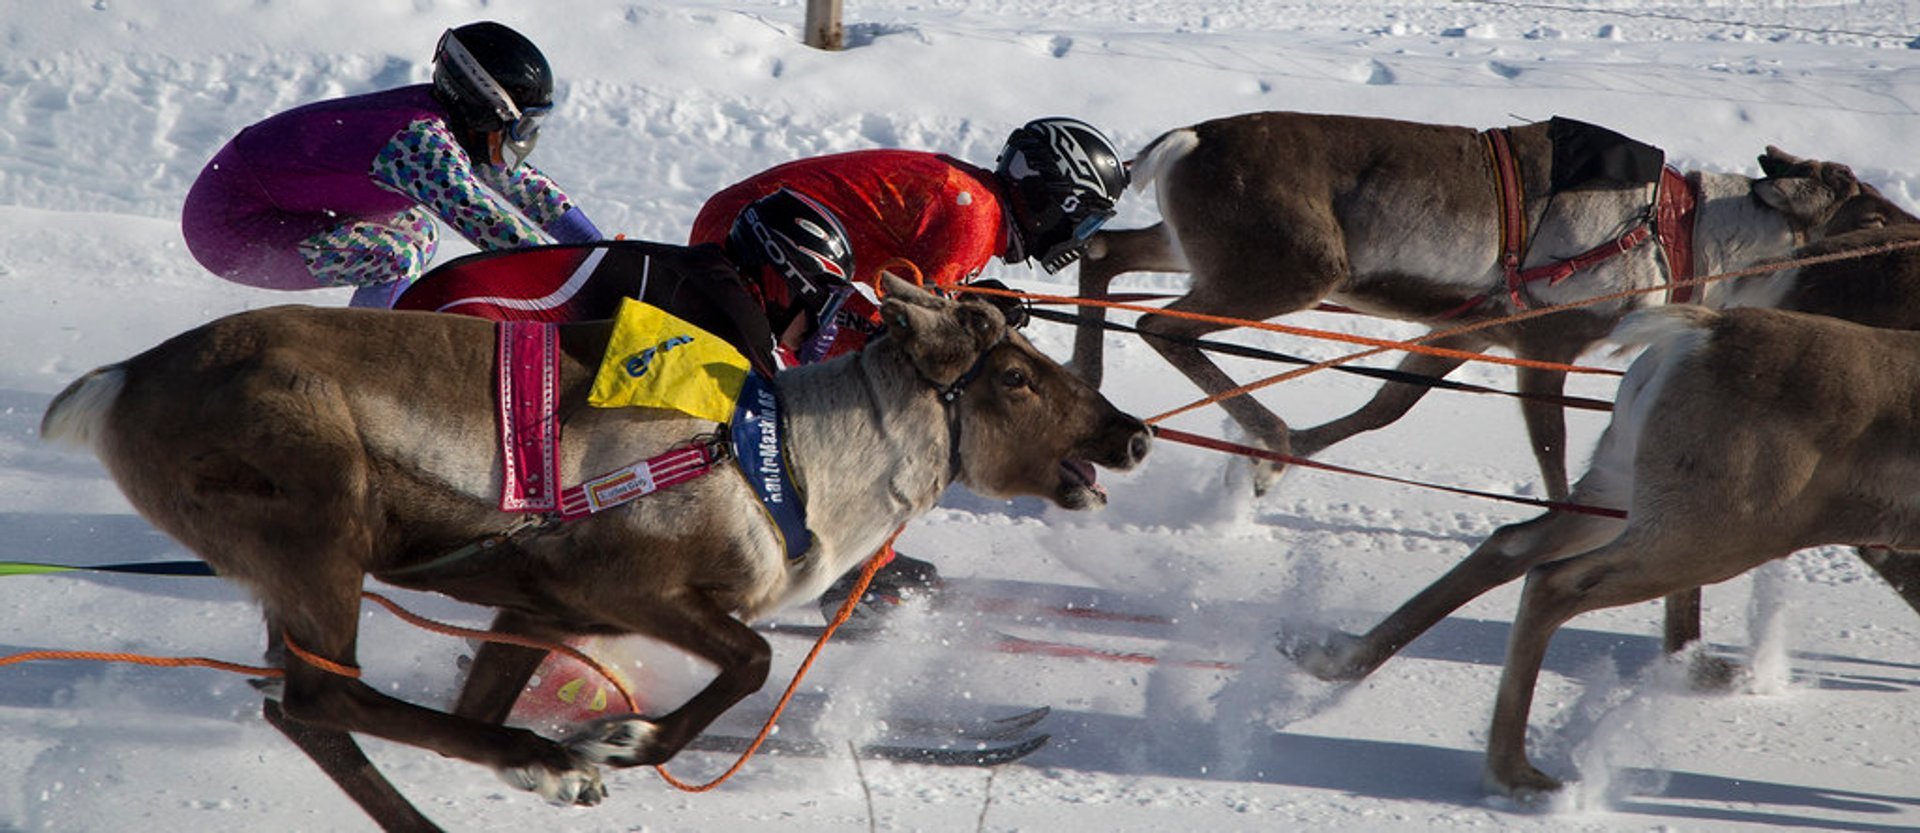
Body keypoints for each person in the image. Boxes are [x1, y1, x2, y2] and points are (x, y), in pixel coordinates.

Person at [687, 117, 1130, 626]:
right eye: (1087, 223)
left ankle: (850, 553)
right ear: (1056, 201)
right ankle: (852, 568)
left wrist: (973, 300)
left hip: (746, 223)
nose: (1080, 239)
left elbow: (907, 286)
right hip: (753, 237)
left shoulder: (975, 204)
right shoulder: (972, 217)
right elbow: (923, 341)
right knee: (901, 398)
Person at [180, 21, 601, 309]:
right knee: (396, 256)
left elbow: (522, 186)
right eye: (524, 124)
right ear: (487, 105)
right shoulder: (417, 142)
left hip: (262, 206)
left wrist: (600, 252)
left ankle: (361, 341)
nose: (525, 138)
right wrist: (585, 280)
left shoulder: (451, 123)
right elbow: (486, 222)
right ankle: (353, 361)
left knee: (419, 233)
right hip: (228, 228)